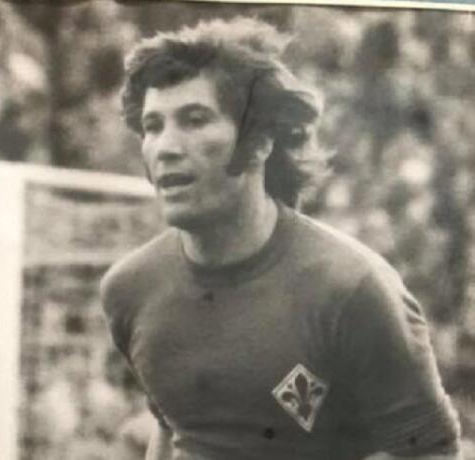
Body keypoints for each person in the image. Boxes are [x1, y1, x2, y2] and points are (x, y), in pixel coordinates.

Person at [100, 17, 462, 460]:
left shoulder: (354, 289)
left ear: (259, 142)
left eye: (195, 120)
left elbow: (432, 452)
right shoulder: (130, 289)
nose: (166, 147)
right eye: (153, 126)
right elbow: (175, 424)